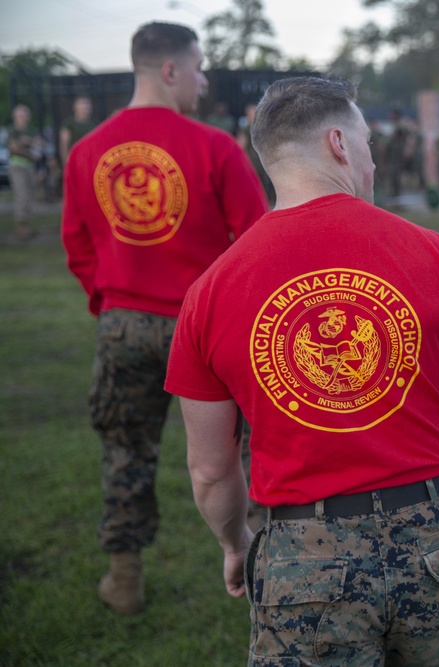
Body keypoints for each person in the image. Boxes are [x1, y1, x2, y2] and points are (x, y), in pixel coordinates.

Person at [163, 76, 439, 665]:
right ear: (338, 143)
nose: (373, 161)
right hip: (437, 539)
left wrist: (235, 544)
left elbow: (209, 470)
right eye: (367, 143)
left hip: (303, 556)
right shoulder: (438, 254)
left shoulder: (209, 292)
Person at [60, 21, 267, 616]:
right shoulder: (215, 147)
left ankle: (125, 580)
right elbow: (255, 242)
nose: (203, 81)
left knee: (127, 450)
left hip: (123, 324)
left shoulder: (86, 151)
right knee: (245, 449)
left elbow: (77, 245)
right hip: (202, 327)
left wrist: (110, 305)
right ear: (170, 70)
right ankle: (265, 572)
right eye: (199, 68)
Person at [7, 104, 45, 240]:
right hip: (17, 166)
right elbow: (14, 148)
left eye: (25, 114)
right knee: (22, 194)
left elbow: (41, 144)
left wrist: (25, 142)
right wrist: (30, 150)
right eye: (20, 114)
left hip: (30, 167)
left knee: (29, 195)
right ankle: (21, 226)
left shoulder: (32, 130)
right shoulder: (13, 130)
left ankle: (25, 225)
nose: (23, 117)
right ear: (15, 116)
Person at [237, 101, 275, 204]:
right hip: (254, 161)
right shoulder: (247, 129)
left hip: (261, 161)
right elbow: (241, 145)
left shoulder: (261, 128)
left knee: (262, 184)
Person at [60, 96, 97, 169]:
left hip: (90, 162)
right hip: (75, 161)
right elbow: (64, 145)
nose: (85, 107)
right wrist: (66, 163)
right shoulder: (69, 124)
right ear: (75, 107)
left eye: (87, 104)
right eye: (82, 104)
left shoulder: (94, 124)